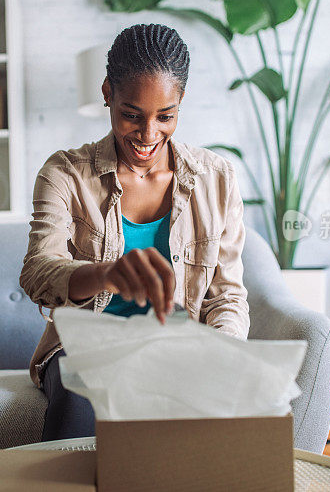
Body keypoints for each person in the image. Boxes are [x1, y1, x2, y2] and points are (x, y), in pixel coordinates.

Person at [19, 23, 250, 442]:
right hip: (85, 348)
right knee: (81, 395)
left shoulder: (218, 178)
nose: (147, 135)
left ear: (181, 103)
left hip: (179, 348)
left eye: (166, 117)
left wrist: (221, 353)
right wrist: (106, 273)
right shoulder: (65, 174)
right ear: (107, 92)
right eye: (131, 115)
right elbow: (37, 271)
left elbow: (227, 296)